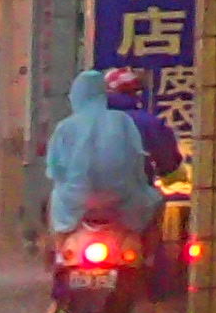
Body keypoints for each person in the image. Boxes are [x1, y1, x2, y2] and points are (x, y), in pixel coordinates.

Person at [44, 68, 156, 236]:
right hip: (121, 200)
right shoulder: (122, 121)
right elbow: (136, 162)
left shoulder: (65, 127)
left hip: (75, 203)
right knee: (155, 202)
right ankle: (148, 257)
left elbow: (55, 172)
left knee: (53, 205)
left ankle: (59, 252)